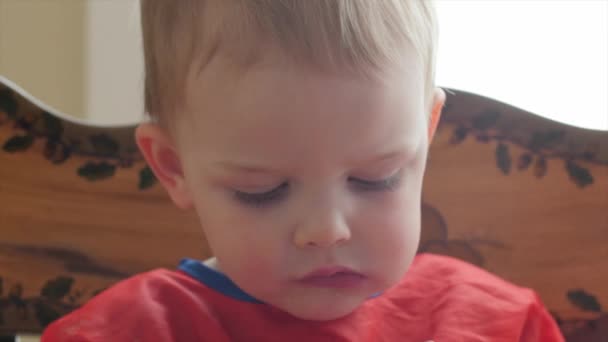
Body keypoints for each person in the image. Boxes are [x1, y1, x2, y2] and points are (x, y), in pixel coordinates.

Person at [42, 1, 564, 341]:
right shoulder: (122, 334)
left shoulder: (499, 324)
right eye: (262, 190)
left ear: (426, 134)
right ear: (174, 167)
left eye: (375, 178)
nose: (326, 230)